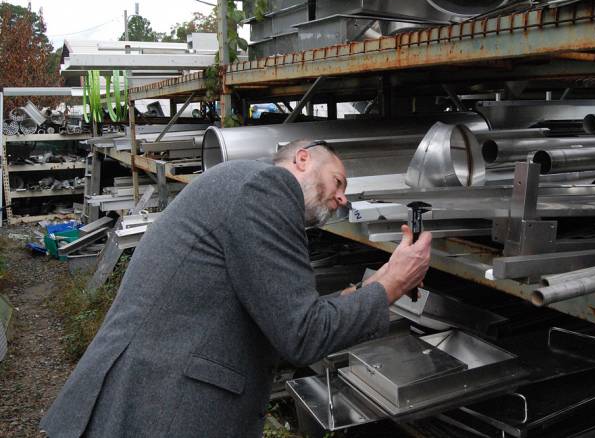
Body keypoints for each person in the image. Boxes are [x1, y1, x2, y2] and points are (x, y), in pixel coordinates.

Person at [41, 140, 432, 438]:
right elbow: (304, 334)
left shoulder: (240, 185)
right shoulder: (269, 187)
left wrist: (378, 282)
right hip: (160, 411)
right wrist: (395, 283)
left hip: (144, 404)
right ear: (302, 159)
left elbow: (281, 320)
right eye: (338, 181)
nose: (342, 197)